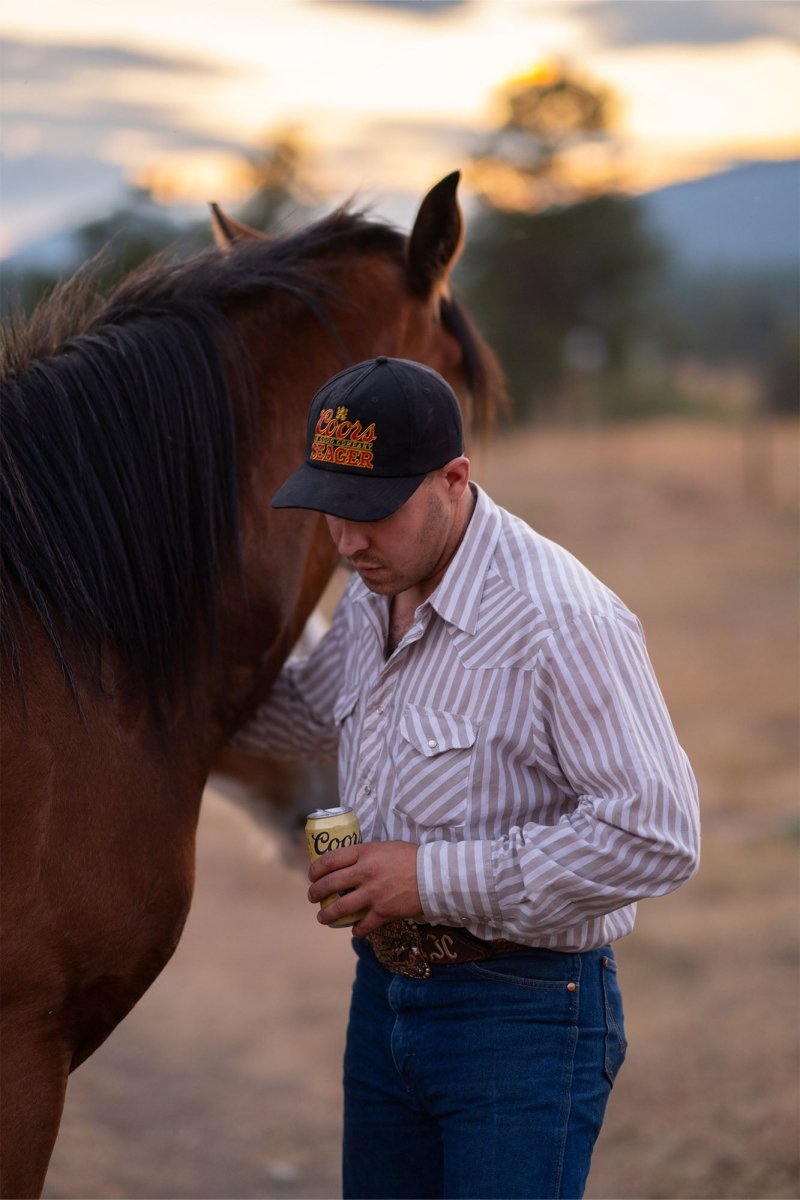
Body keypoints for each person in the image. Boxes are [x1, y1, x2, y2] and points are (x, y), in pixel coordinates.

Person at [233, 355, 700, 1200]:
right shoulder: (378, 584)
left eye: (373, 511)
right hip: (383, 996)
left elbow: (656, 835)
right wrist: (169, 684)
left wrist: (426, 877)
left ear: (454, 478)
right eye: (332, 509)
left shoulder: (561, 619)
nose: (347, 542)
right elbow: (306, 711)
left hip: (522, 1013)